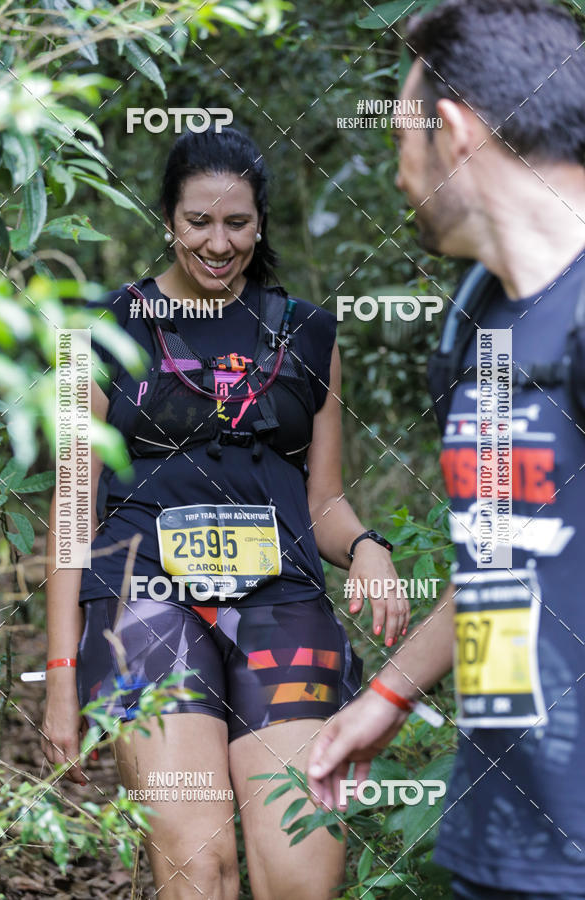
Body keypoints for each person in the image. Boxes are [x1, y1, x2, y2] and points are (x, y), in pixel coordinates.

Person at [40, 126, 409, 900]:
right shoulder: (99, 331)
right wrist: (63, 679)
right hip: (145, 601)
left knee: (304, 874)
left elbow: (326, 500)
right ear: (169, 222)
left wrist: (368, 546)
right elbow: (72, 513)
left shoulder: (307, 332)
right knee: (199, 867)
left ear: (260, 223)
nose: (218, 242)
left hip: (283, 599)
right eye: (198, 222)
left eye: (236, 223)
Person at [307, 1, 585, 898]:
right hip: (499, 839)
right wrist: (386, 698)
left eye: (402, 139)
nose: (397, 174)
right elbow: (505, 555)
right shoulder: (480, 322)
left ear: (455, 132)